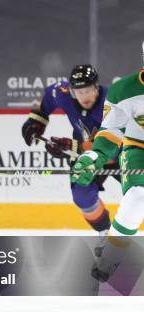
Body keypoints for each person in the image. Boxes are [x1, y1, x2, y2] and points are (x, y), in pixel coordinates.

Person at [72, 42, 144, 281]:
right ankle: (112, 255)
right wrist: (95, 155)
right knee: (137, 197)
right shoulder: (124, 90)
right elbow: (111, 132)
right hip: (139, 148)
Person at [22, 64, 114, 251]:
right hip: (87, 155)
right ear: (71, 91)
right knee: (82, 195)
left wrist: (72, 147)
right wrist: (37, 121)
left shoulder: (112, 101)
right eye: (78, 92)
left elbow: (110, 143)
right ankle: (105, 232)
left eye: (88, 90)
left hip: (119, 151)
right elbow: (49, 95)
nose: (84, 97)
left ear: (96, 87)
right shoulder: (62, 92)